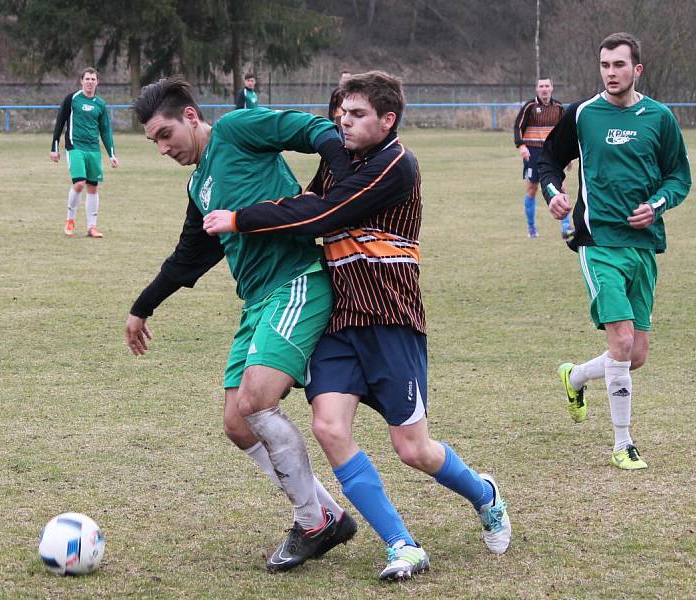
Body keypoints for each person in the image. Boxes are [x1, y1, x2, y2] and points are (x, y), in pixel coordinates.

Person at [204, 70, 512, 581]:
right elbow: (306, 202)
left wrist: (240, 218)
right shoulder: (340, 162)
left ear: (388, 120)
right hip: (339, 321)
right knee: (328, 427)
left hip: (391, 318)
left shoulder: (397, 164)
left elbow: (324, 214)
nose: (343, 122)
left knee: (413, 449)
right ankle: (402, 544)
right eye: (341, 113)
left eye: (357, 114)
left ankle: (485, 494)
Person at [127, 76, 358, 571]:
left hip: (297, 281)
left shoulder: (236, 129)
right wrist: (142, 306)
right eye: (153, 142)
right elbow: (189, 257)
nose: (163, 148)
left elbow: (313, 129)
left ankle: (311, 523)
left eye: (165, 135)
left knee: (256, 401)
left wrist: (339, 183)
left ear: (191, 117)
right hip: (257, 302)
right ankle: (328, 515)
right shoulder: (199, 184)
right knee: (237, 423)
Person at [538, 32, 692, 470]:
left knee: (635, 354)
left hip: (642, 246)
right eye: (605, 65)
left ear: (636, 69)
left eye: (619, 65)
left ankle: (577, 375)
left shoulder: (659, 118)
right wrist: (552, 191)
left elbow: (679, 177)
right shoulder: (583, 114)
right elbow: (547, 160)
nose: (610, 73)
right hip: (598, 242)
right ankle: (623, 443)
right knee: (621, 340)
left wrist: (657, 205)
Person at [51, 67, 119, 238]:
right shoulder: (72, 99)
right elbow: (60, 122)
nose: (90, 82)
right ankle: (70, 220)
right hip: (75, 147)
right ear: (81, 81)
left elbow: (105, 130)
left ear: (97, 82)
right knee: (79, 183)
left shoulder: (100, 104)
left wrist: (111, 154)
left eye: (93, 79)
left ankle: (91, 227)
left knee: (93, 187)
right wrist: (54, 147)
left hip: (93, 150)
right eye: (87, 79)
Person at [513, 77, 572, 239]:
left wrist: (568, 155)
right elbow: (518, 126)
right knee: (532, 189)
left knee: (561, 188)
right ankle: (531, 228)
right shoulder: (530, 106)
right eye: (541, 86)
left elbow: (565, 132)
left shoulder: (559, 107)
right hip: (533, 152)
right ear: (537, 89)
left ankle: (566, 227)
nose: (544, 89)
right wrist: (521, 146)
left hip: (553, 153)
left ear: (552, 88)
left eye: (547, 86)